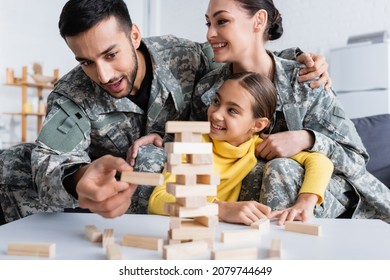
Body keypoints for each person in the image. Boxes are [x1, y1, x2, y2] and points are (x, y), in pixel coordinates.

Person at [0, 0, 330, 224]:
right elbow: (49, 160)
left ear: (134, 35)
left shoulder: (184, 56)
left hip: (181, 182)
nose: (103, 75)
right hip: (118, 194)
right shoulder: (72, 93)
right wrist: (78, 180)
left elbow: (241, 56)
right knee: (14, 161)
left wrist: (294, 62)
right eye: (86, 62)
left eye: (111, 54)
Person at [191, 0, 390, 221]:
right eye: (208, 23)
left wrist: (307, 139)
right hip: (246, 203)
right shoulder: (208, 89)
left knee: (280, 168)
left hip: (320, 197)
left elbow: (356, 159)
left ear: (259, 21)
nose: (210, 34)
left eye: (222, 21)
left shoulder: (306, 80)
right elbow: (193, 148)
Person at [147, 72, 334, 225]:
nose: (216, 114)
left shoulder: (258, 146)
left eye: (232, 111)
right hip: (198, 227)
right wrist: (220, 208)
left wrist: (306, 201)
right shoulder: (193, 142)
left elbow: (320, 161)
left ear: (258, 125)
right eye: (217, 102)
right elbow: (157, 201)